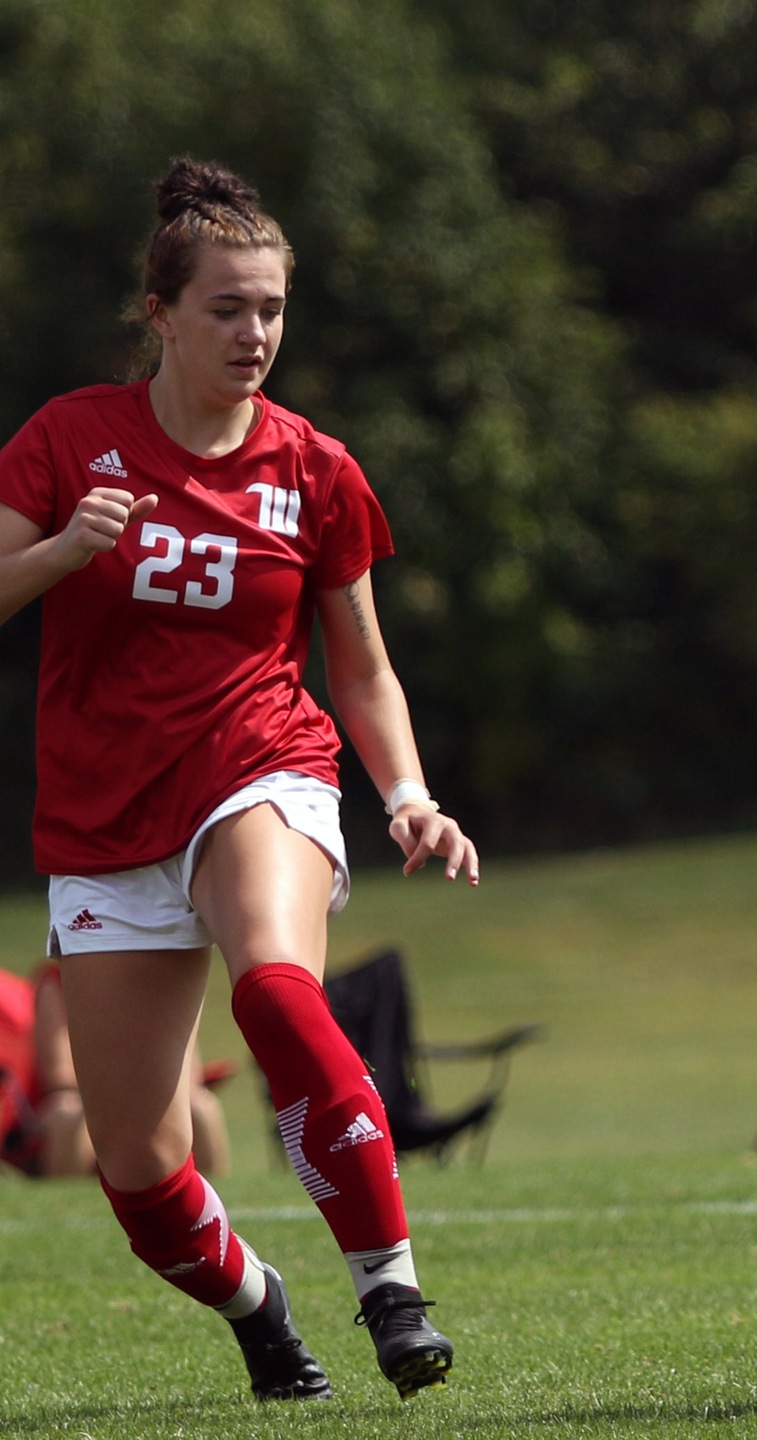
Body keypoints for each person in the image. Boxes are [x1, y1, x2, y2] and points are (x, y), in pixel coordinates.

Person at [0, 160, 478, 1401]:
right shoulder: (66, 439)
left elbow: (360, 666)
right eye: (227, 308)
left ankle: (390, 1283)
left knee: (275, 985)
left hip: (258, 763)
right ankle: (261, 1310)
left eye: (271, 309)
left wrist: (409, 793)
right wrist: (61, 550)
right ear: (160, 314)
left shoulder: (315, 467)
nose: (255, 333)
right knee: (141, 1175)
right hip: (104, 821)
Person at [6, 961, 232, 1179]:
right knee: (68, 1114)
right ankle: (66, 1208)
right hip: (88, 1099)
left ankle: (210, 1206)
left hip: (149, 1098)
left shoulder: (164, 976)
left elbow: (188, 1073)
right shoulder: (57, 982)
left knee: (201, 1107)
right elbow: (61, 1076)